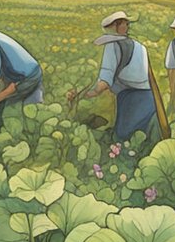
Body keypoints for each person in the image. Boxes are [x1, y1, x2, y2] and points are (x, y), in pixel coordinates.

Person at [68, 11, 167, 144]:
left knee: (123, 139)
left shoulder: (113, 45)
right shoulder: (140, 47)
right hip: (148, 99)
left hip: (130, 99)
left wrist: (86, 94)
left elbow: (105, 81)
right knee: (143, 140)